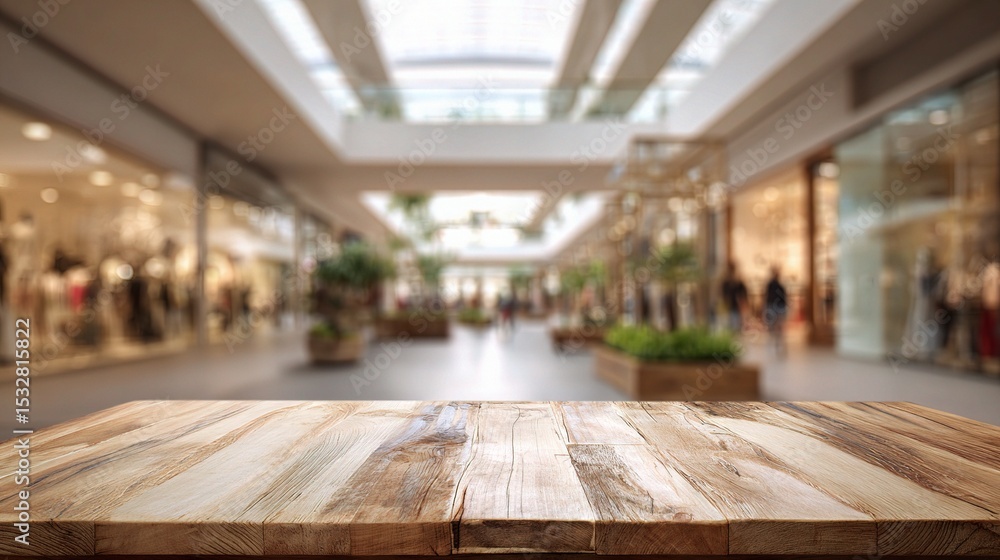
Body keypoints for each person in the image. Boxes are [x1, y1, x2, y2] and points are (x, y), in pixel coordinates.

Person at [764, 266, 788, 356]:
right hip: (774, 307)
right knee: (774, 327)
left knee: (778, 327)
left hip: (778, 307)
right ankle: (777, 343)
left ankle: (779, 344)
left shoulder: (779, 284)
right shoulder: (771, 284)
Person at [720, 261, 748, 333]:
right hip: (730, 306)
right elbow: (724, 294)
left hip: (736, 306)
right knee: (730, 324)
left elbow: (743, 293)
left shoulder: (738, 281)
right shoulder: (727, 282)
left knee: (736, 325)